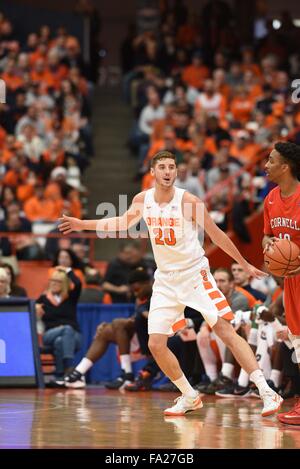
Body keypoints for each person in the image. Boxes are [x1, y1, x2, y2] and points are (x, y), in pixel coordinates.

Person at [59, 150, 282, 417]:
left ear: (176, 172)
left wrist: (244, 263)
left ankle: (266, 390)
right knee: (155, 344)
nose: (167, 171)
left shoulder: (189, 201)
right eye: (162, 167)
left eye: (172, 167)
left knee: (224, 329)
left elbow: (216, 234)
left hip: (194, 274)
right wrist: (81, 223)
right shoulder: (143, 199)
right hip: (165, 279)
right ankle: (189, 395)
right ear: (152, 172)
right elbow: (120, 222)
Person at [64, 267, 152, 388]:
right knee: (105, 331)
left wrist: (119, 323)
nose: (135, 293)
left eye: (137, 289)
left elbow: (149, 318)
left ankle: (127, 373)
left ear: (147, 283)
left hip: (153, 337)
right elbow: (136, 318)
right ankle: (79, 373)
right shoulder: (140, 298)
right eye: (132, 290)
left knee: (118, 323)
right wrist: (110, 325)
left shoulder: (157, 295)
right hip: (139, 335)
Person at [263, 141, 300, 425]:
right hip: (291, 282)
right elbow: (266, 236)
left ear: (285, 167)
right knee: (297, 342)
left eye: (271, 160)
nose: (266, 164)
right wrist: (270, 246)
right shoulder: (271, 198)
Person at [36, 266, 82, 385]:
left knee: (60, 341)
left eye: (58, 281)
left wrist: (68, 270)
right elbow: (33, 312)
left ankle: (60, 375)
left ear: (65, 283)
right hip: (50, 334)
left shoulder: (71, 297)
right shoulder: (43, 299)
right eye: (52, 281)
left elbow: (78, 283)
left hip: (73, 336)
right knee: (66, 329)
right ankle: (69, 367)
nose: (54, 284)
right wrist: (36, 309)